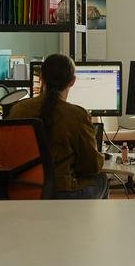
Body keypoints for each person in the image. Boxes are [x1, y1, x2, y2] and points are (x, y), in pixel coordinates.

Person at [9, 54, 107, 199]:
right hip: (61, 192)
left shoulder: (18, 110)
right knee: (101, 179)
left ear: (41, 78)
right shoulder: (76, 115)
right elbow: (91, 166)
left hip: (23, 189)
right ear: (72, 81)